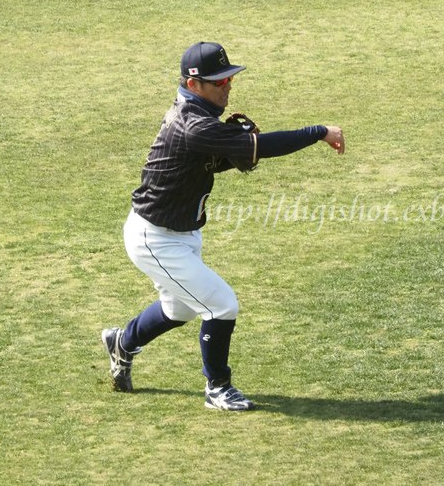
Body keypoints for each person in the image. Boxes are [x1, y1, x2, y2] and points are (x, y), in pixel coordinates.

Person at [102, 41, 345, 411]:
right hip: (154, 238)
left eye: (228, 79)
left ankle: (123, 342)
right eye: (219, 82)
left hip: (180, 234)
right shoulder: (193, 124)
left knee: (179, 308)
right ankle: (218, 388)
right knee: (221, 305)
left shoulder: (200, 120)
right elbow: (262, 146)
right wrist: (318, 131)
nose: (227, 87)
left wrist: (230, 155)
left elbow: (206, 162)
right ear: (193, 84)